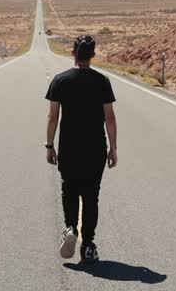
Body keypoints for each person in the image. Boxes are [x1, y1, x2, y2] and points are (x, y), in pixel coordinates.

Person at [45, 34, 118, 264]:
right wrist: (113, 149)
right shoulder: (102, 81)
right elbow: (110, 118)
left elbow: (52, 117)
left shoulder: (60, 80)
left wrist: (49, 145)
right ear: (93, 55)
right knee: (91, 196)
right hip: (95, 149)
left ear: (73, 53)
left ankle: (70, 229)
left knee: (69, 190)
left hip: (69, 148)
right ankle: (87, 244)